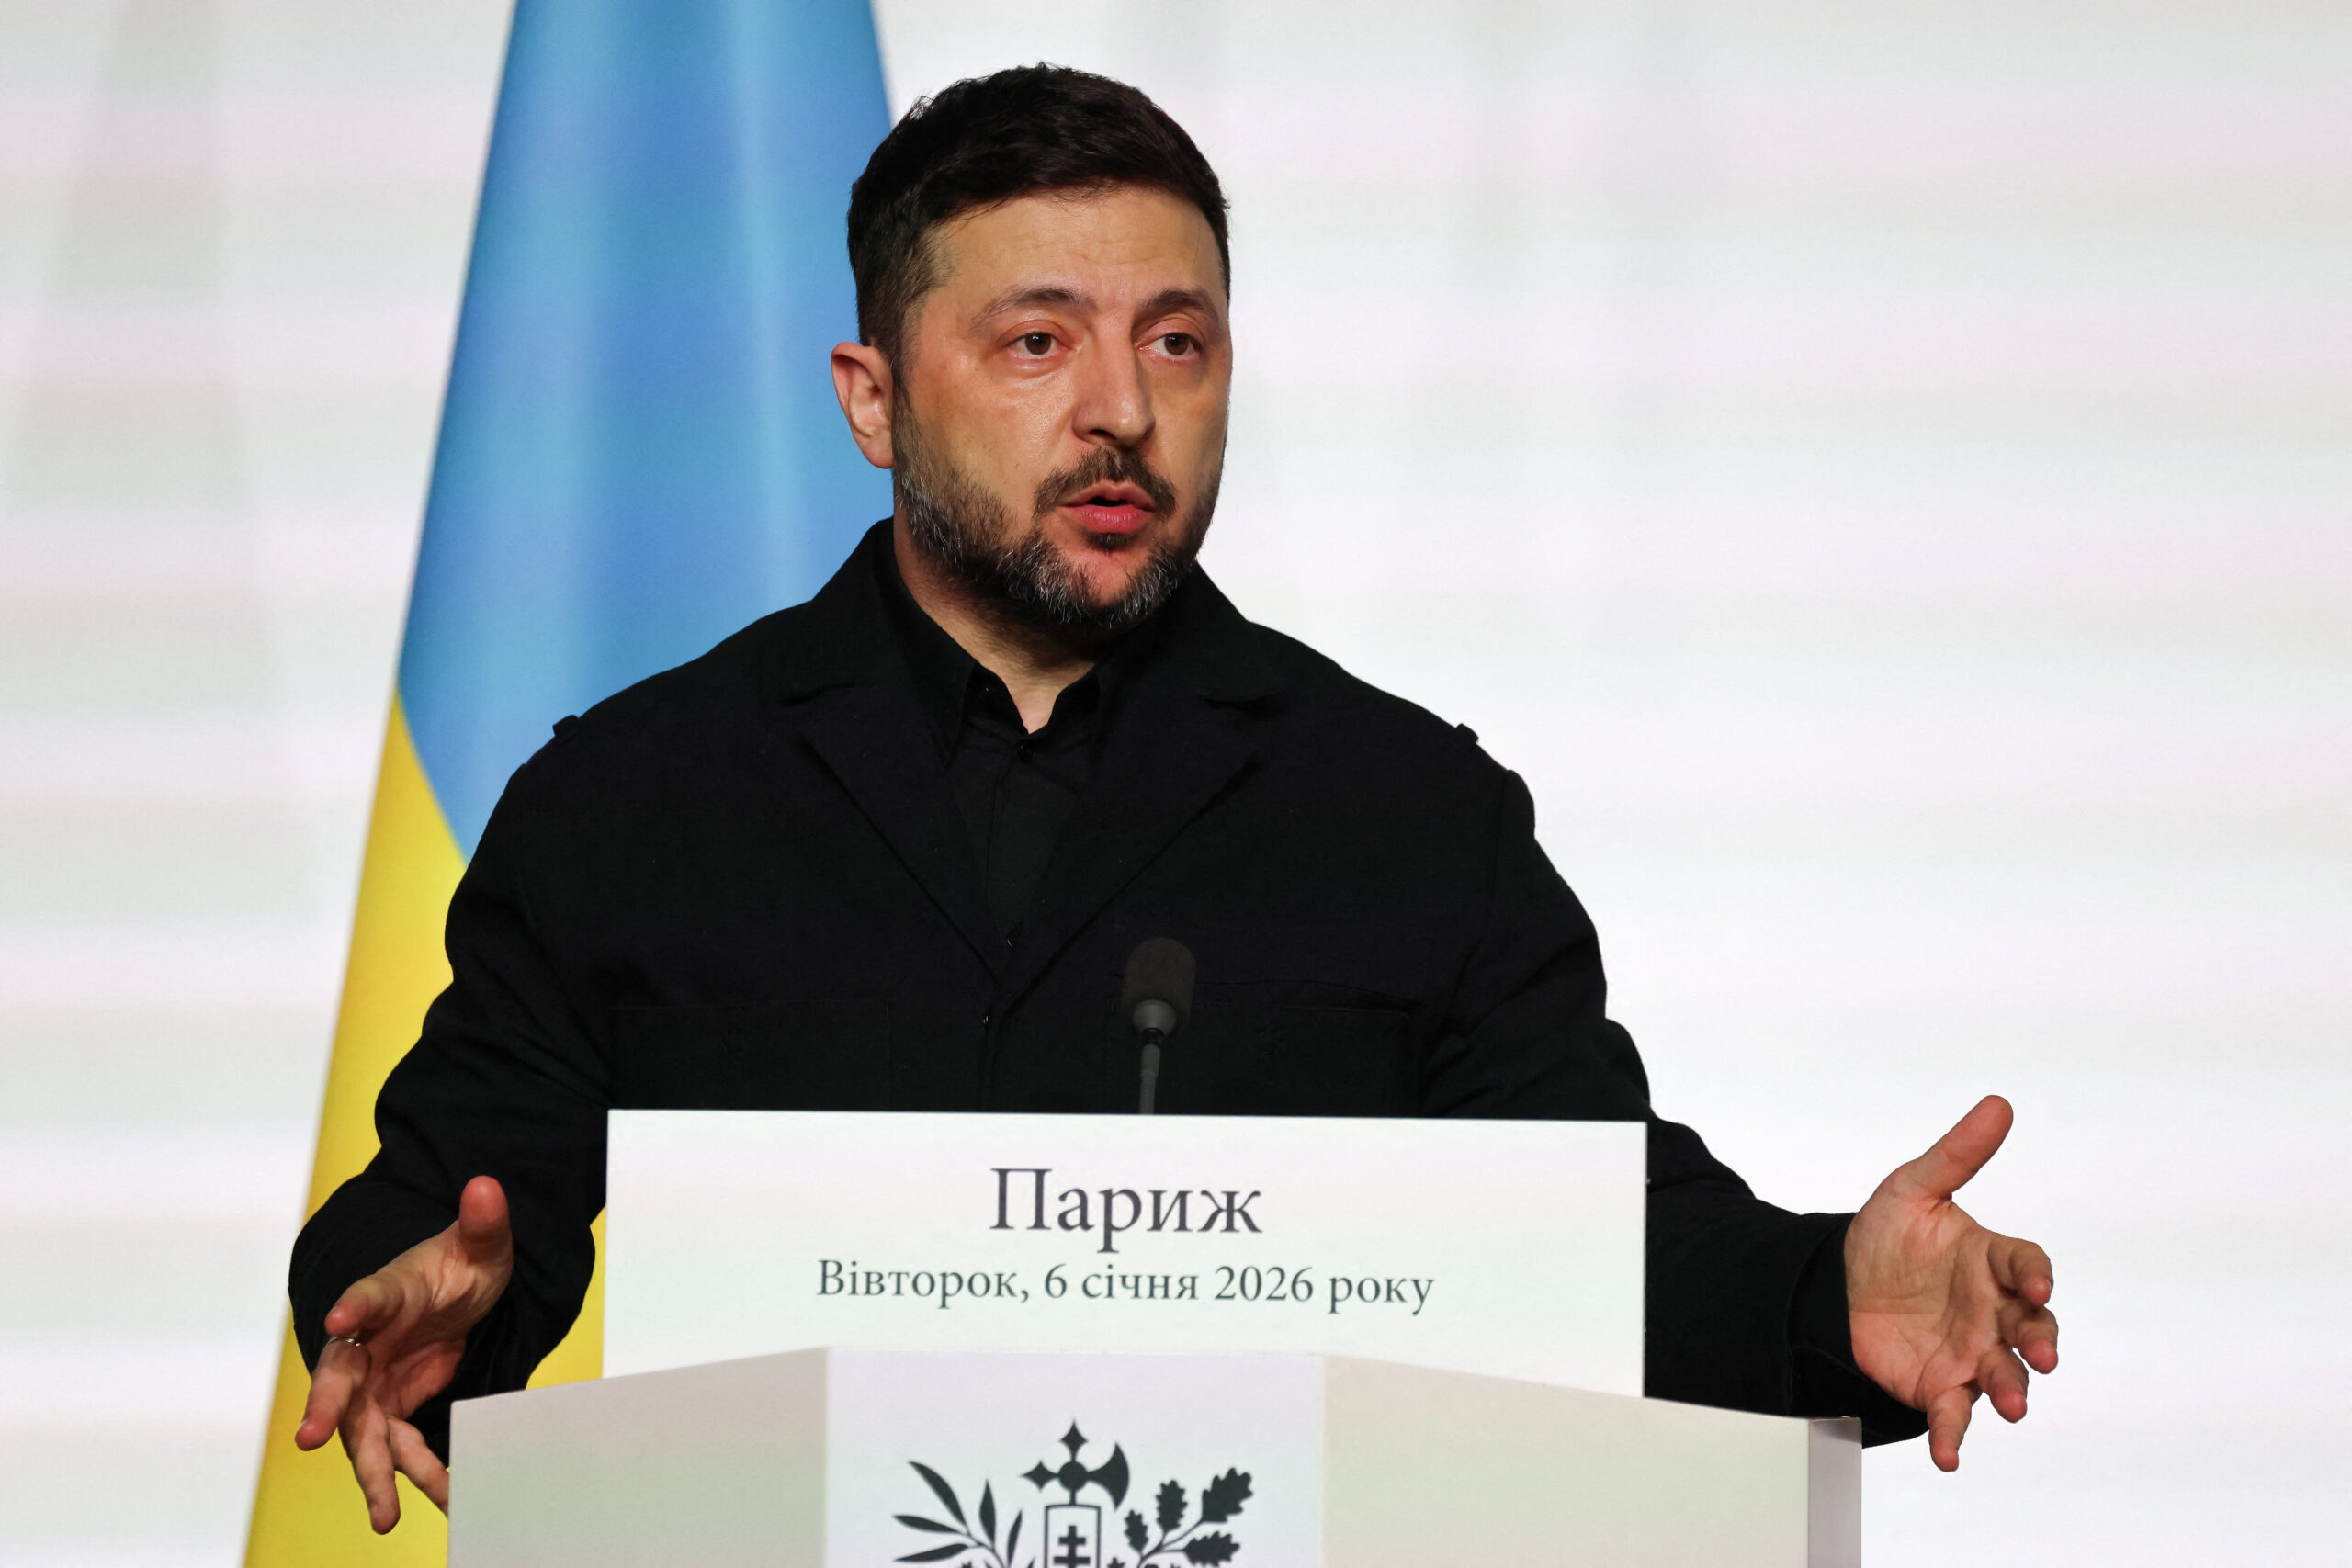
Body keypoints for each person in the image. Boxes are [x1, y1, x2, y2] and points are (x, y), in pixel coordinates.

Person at [290, 65, 2059, 1534]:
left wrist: (1831, 1296)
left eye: (1179, 343)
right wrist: (402, 1298)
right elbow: (459, 1213)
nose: (1123, 411)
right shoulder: (639, 798)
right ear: (873, 401)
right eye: (1037, 343)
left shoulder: (1407, 814)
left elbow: (1594, 1245)